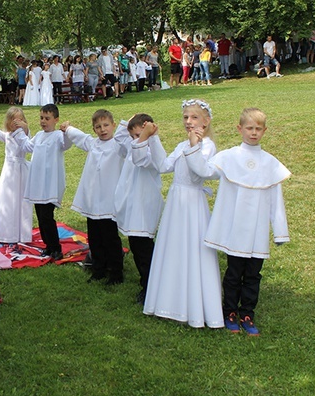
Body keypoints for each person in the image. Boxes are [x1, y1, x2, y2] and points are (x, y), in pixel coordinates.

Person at [185, 107, 290, 336]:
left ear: (264, 131)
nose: (253, 133)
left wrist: (280, 232)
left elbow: (276, 200)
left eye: (258, 129)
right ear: (239, 129)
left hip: (257, 230)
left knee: (253, 274)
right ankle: (230, 311)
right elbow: (203, 170)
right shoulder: (229, 157)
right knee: (233, 273)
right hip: (235, 228)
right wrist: (194, 145)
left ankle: (247, 314)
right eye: (249, 128)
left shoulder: (271, 164)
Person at [142, 99, 224, 329]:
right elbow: (163, 166)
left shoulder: (207, 146)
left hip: (192, 204)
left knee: (193, 250)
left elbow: (201, 172)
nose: (189, 122)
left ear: (206, 121)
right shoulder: (181, 145)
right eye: (186, 117)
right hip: (176, 203)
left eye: (194, 117)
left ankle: (193, 307)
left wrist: (194, 145)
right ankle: (169, 301)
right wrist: (154, 138)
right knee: (173, 248)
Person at [62, 109, 128, 283]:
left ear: (113, 126)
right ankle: (98, 268)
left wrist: (127, 123)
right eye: (98, 127)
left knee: (111, 238)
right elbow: (79, 137)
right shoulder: (92, 143)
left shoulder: (118, 146)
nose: (103, 129)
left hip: (109, 202)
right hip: (92, 201)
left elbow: (126, 139)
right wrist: (67, 128)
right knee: (95, 237)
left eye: (106, 125)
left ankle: (116, 272)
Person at [114, 114, 165, 304]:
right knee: (136, 247)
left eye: (140, 134)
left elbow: (140, 158)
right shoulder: (133, 145)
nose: (136, 139)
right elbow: (120, 137)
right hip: (132, 205)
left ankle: (150, 286)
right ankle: (147, 282)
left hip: (144, 207)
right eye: (134, 135)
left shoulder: (151, 152)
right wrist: (131, 119)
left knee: (144, 250)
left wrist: (146, 136)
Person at [14, 104, 72, 259]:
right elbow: (27, 146)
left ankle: (56, 248)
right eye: (41, 118)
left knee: (47, 216)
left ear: (55, 119)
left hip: (50, 184)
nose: (43, 121)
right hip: (38, 183)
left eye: (47, 118)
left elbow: (67, 144)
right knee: (40, 216)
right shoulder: (39, 135)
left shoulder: (58, 136)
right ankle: (48, 245)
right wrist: (20, 131)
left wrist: (67, 131)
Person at [0, 107, 33, 244]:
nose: (16, 123)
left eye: (19, 120)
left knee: (21, 201)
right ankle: (5, 231)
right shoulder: (8, 135)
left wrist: (25, 128)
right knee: (7, 200)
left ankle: (21, 233)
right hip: (9, 172)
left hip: (21, 171)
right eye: (13, 120)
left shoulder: (24, 135)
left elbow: (29, 143)